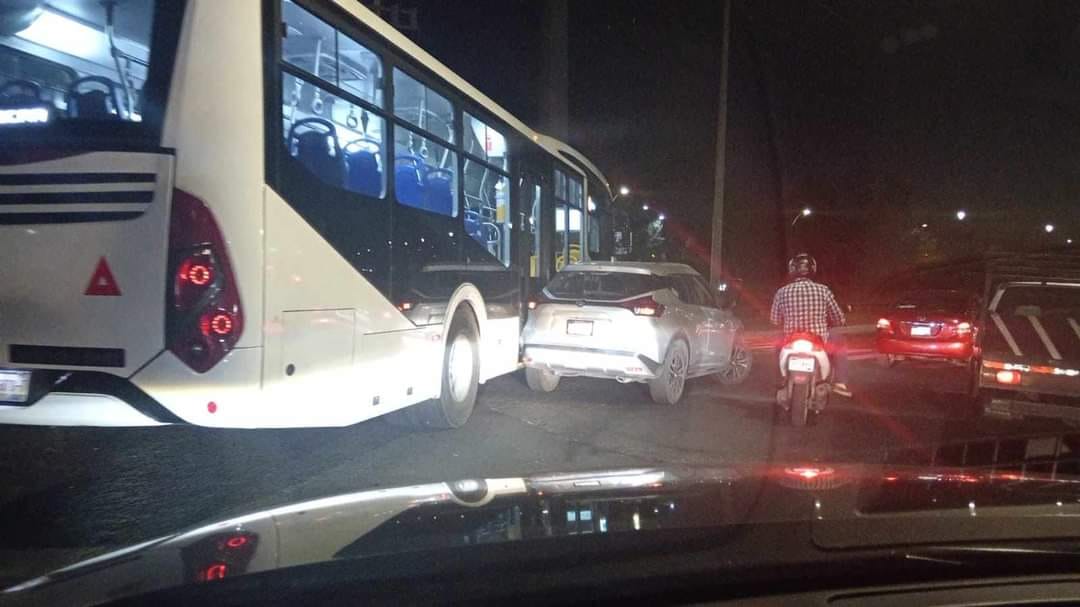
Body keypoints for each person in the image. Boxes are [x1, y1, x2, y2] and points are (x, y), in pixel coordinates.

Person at [770, 253, 852, 397]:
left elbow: (774, 320)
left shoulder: (781, 292)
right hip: (819, 338)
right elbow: (838, 317)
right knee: (839, 342)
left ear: (792, 270)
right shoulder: (823, 290)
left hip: (791, 338)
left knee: (777, 344)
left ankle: (780, 379)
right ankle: (840, 382)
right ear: (813, 270)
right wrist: (840, 320)